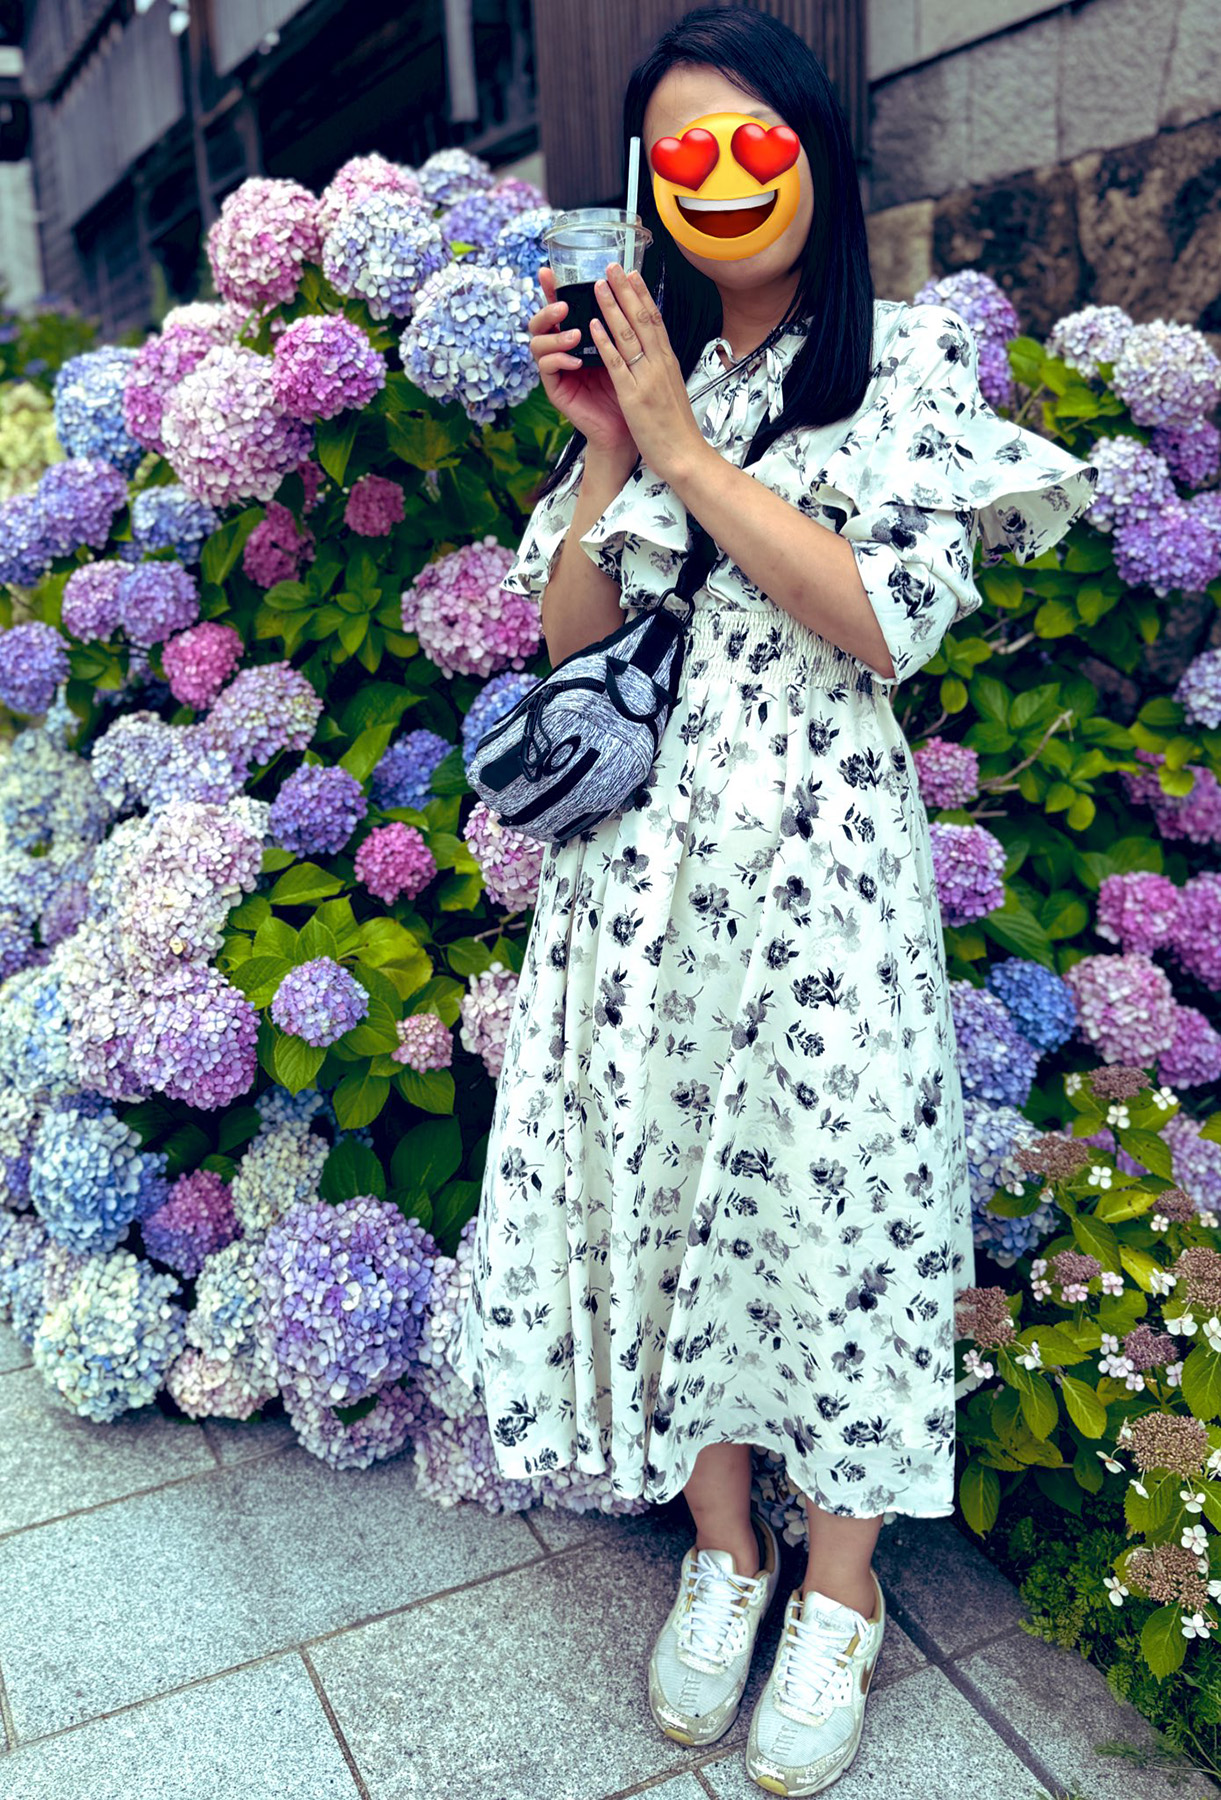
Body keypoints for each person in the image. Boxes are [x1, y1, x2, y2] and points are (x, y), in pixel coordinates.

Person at [449, 7, 1098, 1794]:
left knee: (837, 1196)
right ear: (645, 183)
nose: (722, 177)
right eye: (684, 151)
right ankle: (722, 1549)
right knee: (667, 1187)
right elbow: (572, 644)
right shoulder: (652, 374)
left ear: (818, 155)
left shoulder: (900, 370)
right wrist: (606, 445)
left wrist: (683, 449)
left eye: (757, 142)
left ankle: (840, 1589)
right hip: (641, 885)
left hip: (817, 881)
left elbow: (882, 623)